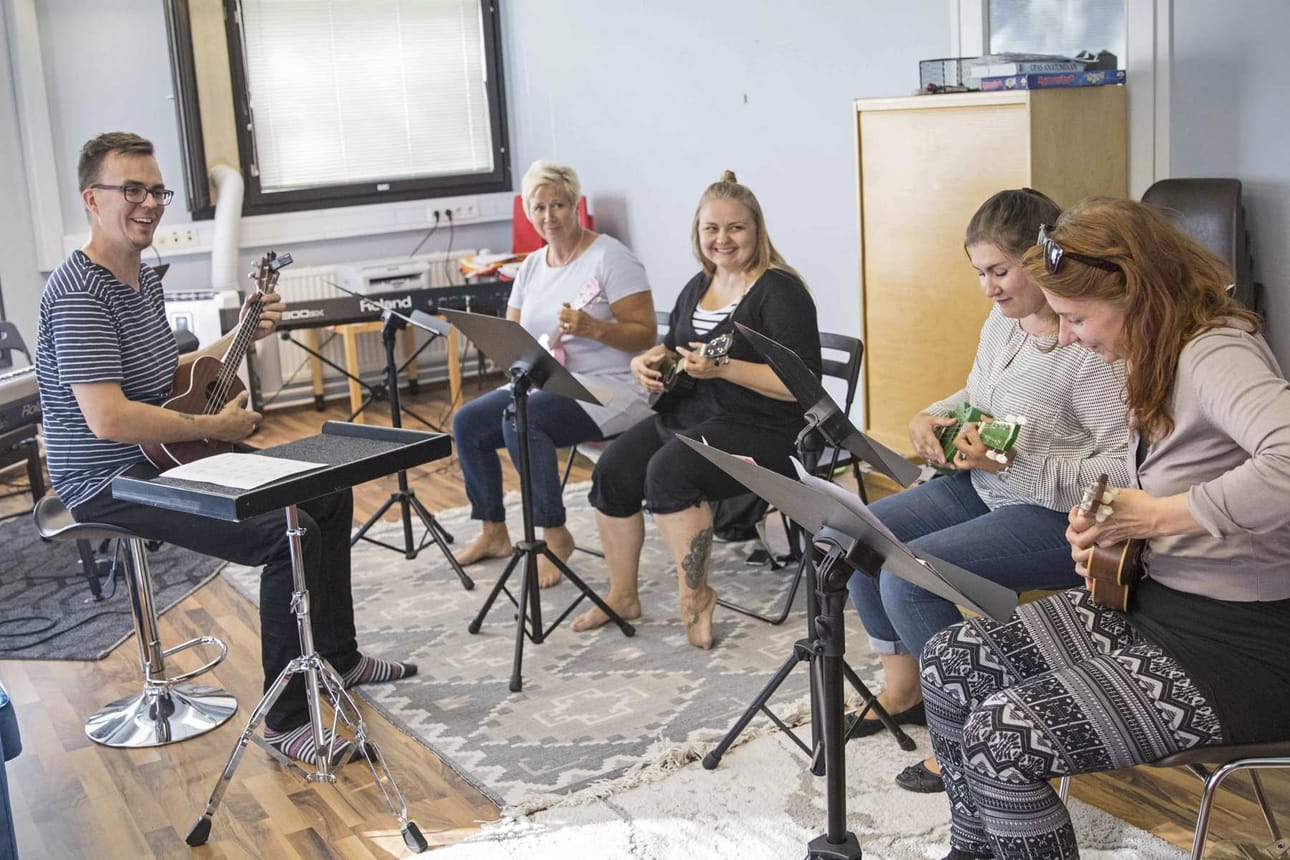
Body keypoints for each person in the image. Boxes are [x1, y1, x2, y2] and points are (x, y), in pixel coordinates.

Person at [920, 196, 1290, 860]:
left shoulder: (1216, 353)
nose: (1067, 337)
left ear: (1139, 296)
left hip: (1243, 645)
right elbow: (1159, 473)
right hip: (1157, 605)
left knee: (1002, 741)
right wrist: (1109, 523)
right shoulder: (1152, 354)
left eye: (1075, 317)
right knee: (950, 663)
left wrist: (1157, 515)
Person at [35, 132, 414, 765]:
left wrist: (238, 334)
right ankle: (287, 722)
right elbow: (108, 419)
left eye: (157, 190)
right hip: (109, 479)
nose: (150, 202)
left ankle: (338, 659)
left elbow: (166, 377)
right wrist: (225, 432)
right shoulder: (80, 294)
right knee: (284, 533)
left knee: (329, 489)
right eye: (131, 189)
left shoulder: (140, 280)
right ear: (91, 200)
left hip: (157, 456)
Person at [845, 189, 1130, 794]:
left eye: (999, 271)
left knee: (908, 576)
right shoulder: (1004, 325)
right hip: (987, 485)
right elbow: (978, 397)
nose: (989, 288)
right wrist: (932, 416)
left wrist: (1019, 460)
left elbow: (1127, 472)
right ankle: (907, 693)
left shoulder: (1091, 347)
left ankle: (975, 738)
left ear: (1040, 259)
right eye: (980, 273)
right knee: (857, 533)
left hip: (1060, 516)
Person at [572, 170, 821, 649]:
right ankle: (622, 595)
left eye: (735, 228)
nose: (722, 239)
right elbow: (675, 350)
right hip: (693, 413)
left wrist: (724, 370)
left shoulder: (779, 291)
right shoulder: (699, 286)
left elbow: (801, 388)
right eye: (712, 228)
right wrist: (649, 361)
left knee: (670, 473)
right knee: (613, 471)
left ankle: (696, 596)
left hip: (766, 426)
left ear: (757, 230)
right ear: (698, 233)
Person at [452, 160, 657, 588]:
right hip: (546, 382)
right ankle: (493, 530)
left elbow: (645, 336)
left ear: (576, 205)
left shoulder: (610, 258)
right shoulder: (531, 266)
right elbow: (512, 332)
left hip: (611, 387)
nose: (549, 217)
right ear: (529, 213)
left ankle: (553, 533)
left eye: (558, 205)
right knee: (468, 422)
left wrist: (594, 329)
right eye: (539, 208)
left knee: (522, 420)